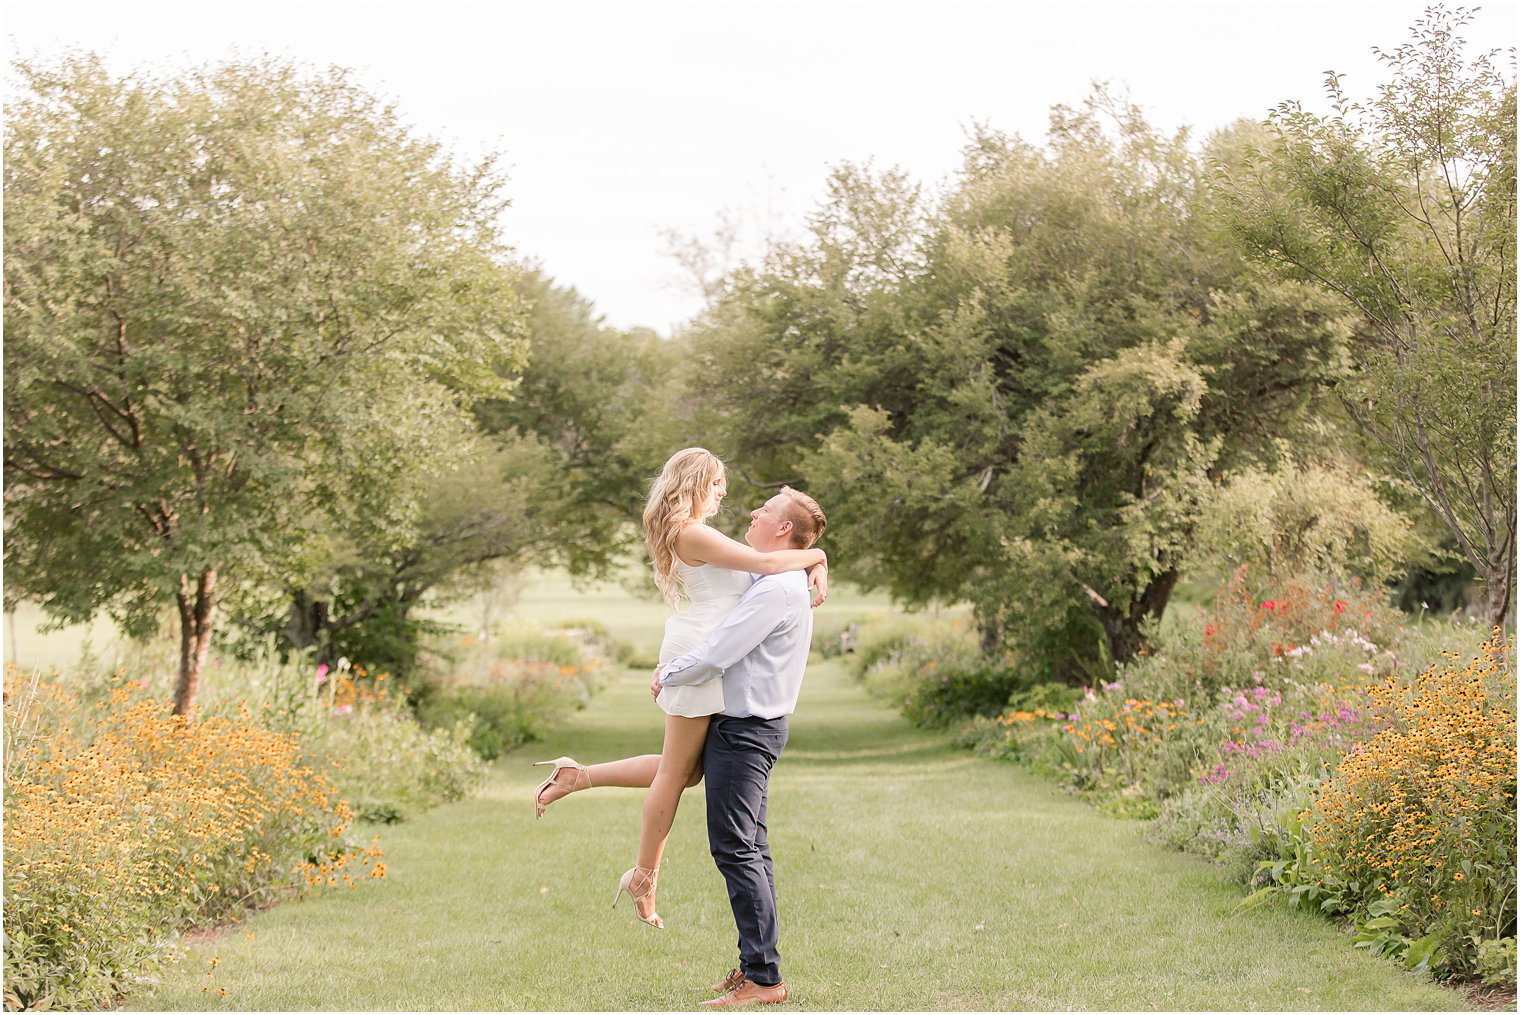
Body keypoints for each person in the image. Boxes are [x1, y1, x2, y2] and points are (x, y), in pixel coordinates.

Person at [532, 448, 827, 931]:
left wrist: (813, 559)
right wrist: (817, 555)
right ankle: (644, 875)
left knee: (685, 771)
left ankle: (578, 777)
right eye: (717, 484)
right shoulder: (691, 532)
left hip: (705, 648)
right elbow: (767, 564)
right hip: (704, 654)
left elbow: (764, 564)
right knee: (675, 774)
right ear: (694, 483)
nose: (725, 493)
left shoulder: (695, 530)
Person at [651, 483, 825, 1008]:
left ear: (784, 529)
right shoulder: (774, 575)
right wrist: (819, 560)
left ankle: (765, 980)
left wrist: (668, 673)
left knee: (737, 849)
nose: (754, 510)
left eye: (766, 509)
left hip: (745, 731)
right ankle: (757, 965)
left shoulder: (776, 588)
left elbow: (720, 652)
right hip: (747, 727)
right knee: (751, 848)